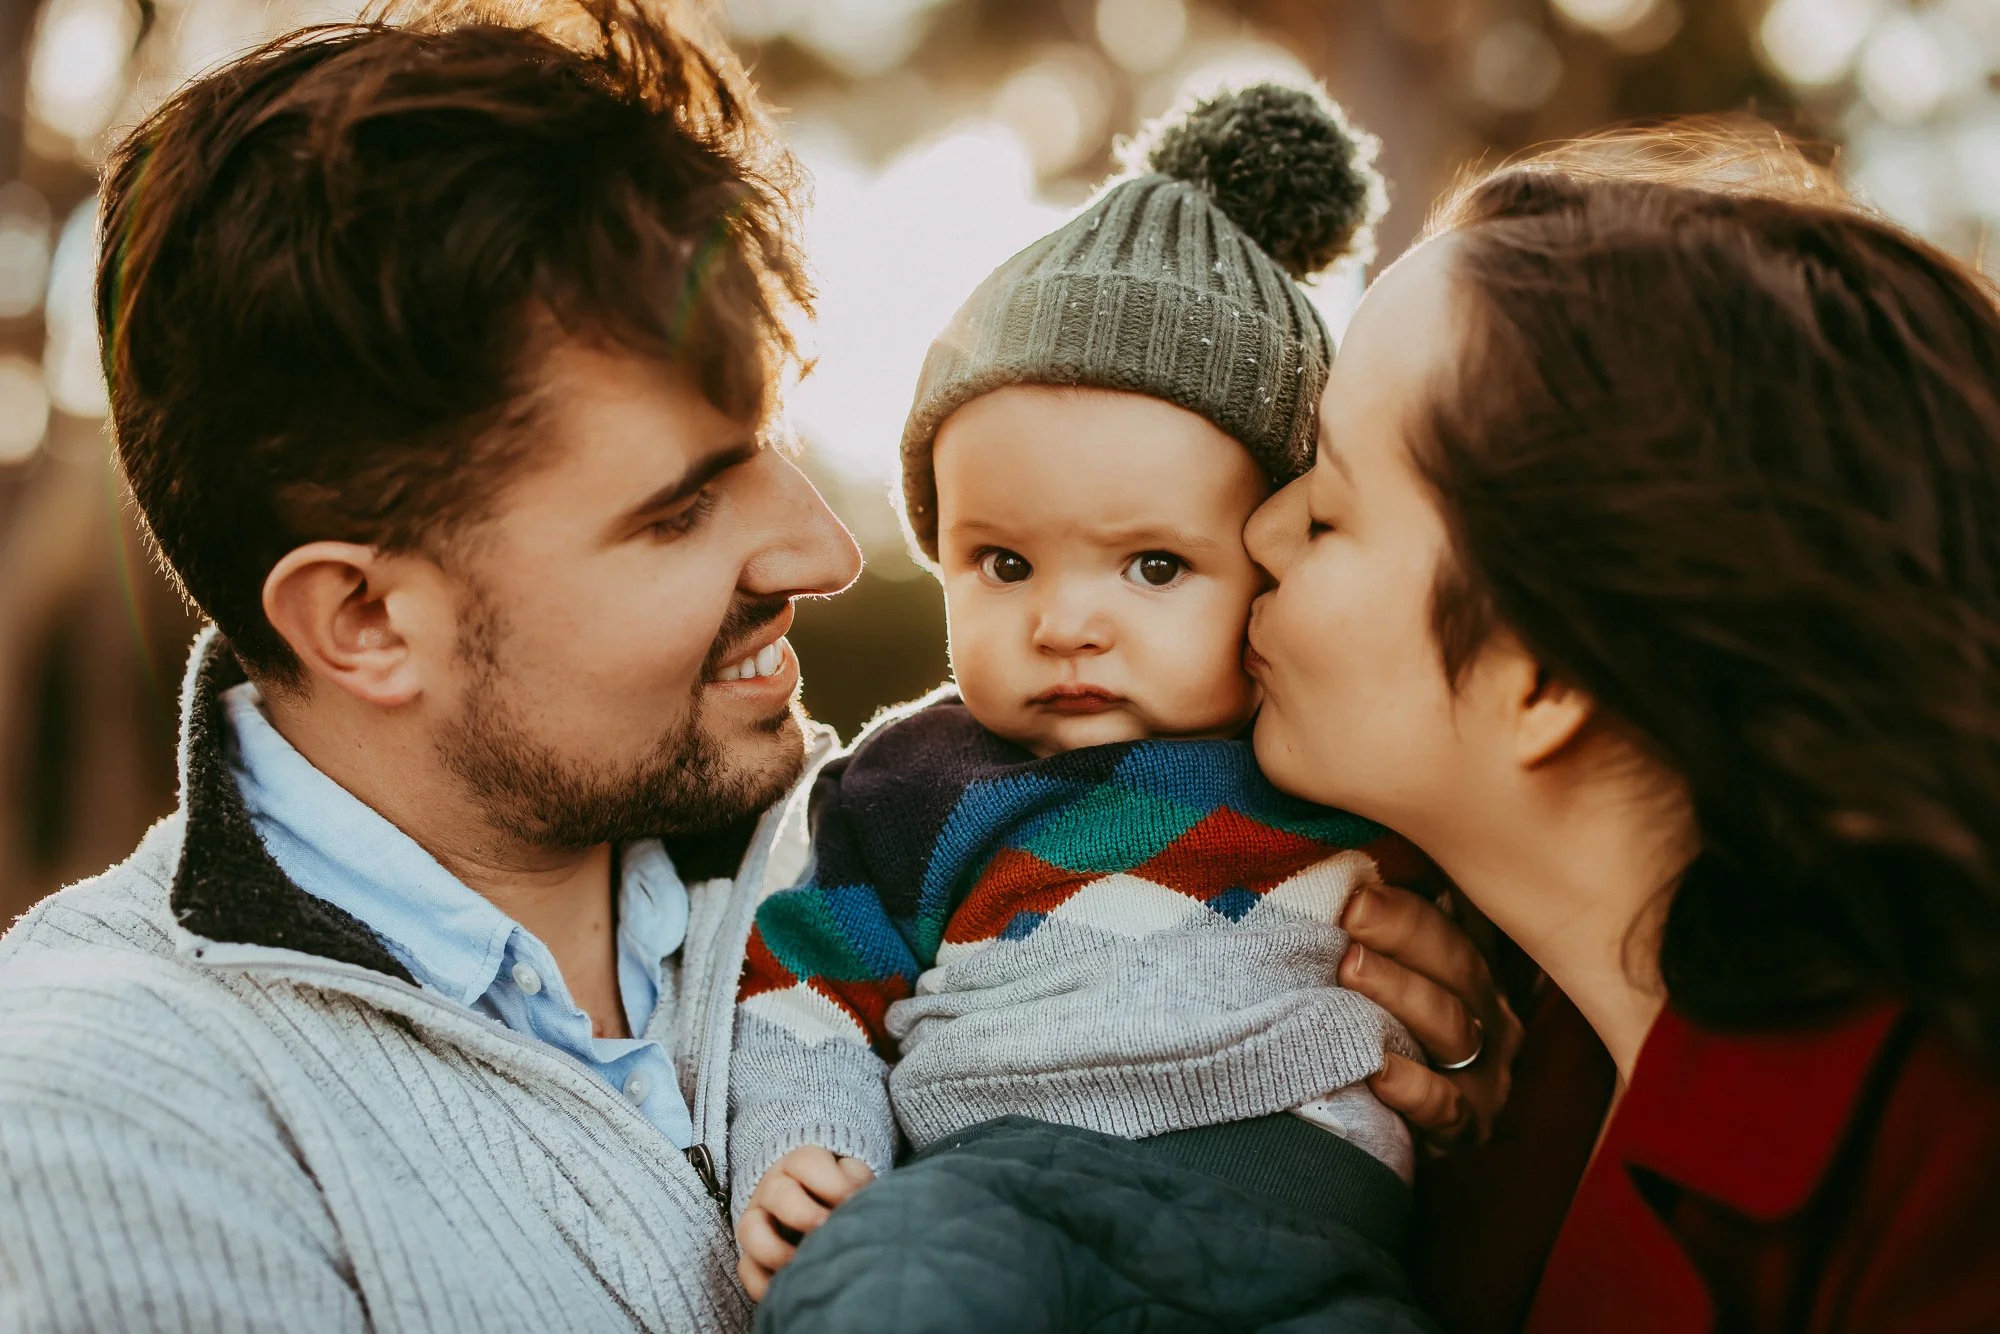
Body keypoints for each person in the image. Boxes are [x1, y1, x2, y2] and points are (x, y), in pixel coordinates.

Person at [0, 1, 868, 1326]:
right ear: (363, 621)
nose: (826, 549)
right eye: (682, 509)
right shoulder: (107, 1104)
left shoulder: (906, 841)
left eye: (776, 436)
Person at [1243, 122, 2000, 1333]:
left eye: (1328, 508)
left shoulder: (1944, 1164)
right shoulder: (1495, 1079)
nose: (1258, 535)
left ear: (1542, 669)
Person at [724, 85, 1437, 1333]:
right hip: (997, 1196)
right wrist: (803, 1152)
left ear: (1278, 552)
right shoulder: (916, 780)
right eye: (1004, 563)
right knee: (882, 1283)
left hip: (1308, 1223)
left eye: (1151, 566)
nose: (1065, 622)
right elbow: (805, 987)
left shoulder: (1347, 755)